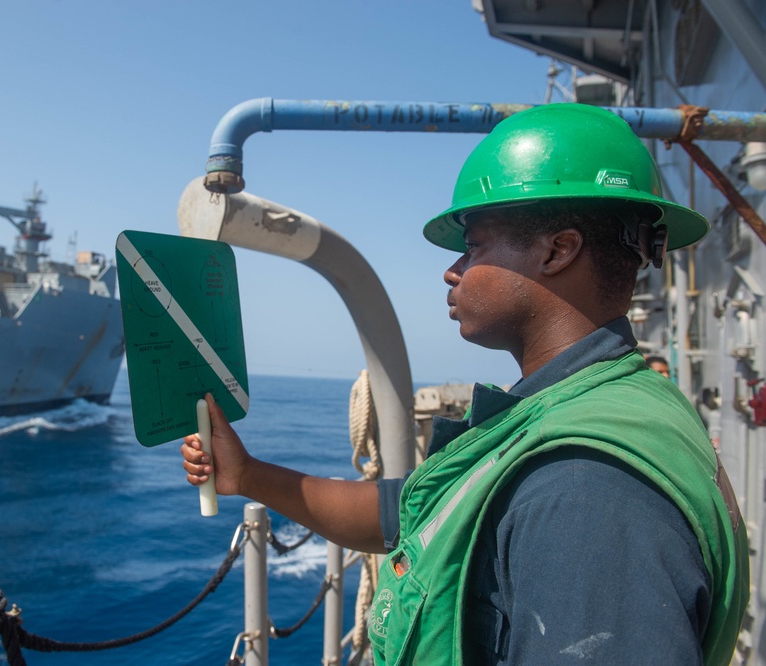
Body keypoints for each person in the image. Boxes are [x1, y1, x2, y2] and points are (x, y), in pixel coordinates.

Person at [181, 104, 749, 665]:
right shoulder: (574, 410)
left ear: (558, 250)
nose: (452, 270)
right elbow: (410, 514)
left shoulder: (584, 488)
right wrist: (248, 475)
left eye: (474, 245)